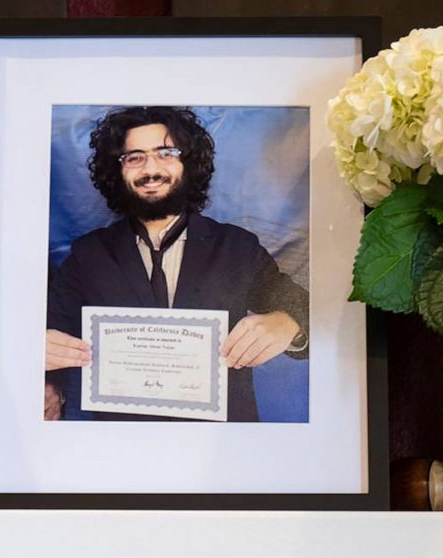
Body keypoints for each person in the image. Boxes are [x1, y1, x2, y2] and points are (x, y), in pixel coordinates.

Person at [46, 106, 309, 422]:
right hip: (121, 447)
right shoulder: (88, 254)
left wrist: (290, 322)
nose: (151, 169)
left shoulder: (238, 247)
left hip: (225, 449)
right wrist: (49, 383)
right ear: (117, 171)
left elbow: (307, 307)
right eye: (135, 157)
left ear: (188, 163)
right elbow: (53, 332)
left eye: (165, 153)